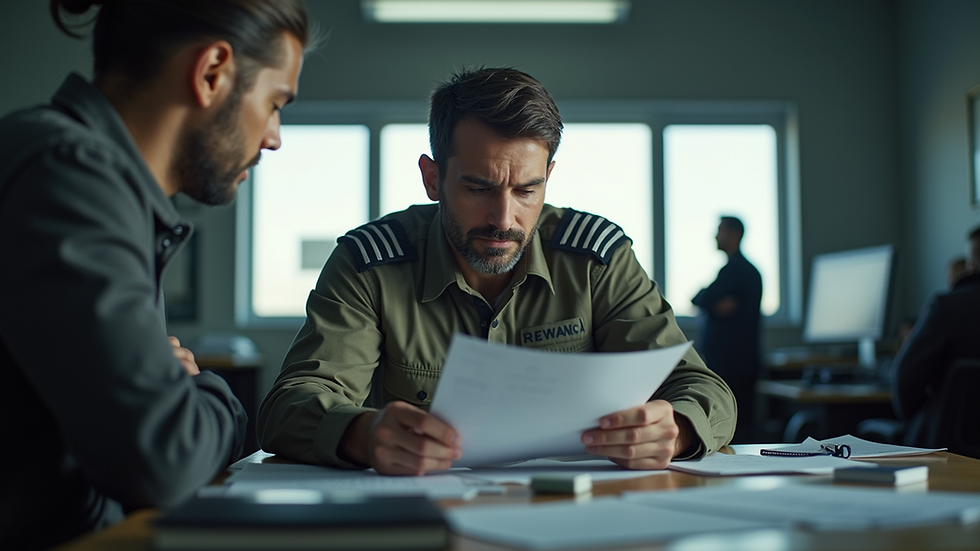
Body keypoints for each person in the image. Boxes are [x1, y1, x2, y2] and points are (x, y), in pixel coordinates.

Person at [257, 67, 736, 476]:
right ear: (432, 178)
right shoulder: (370, 263)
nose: (504, 220)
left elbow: (704, 389)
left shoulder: (597, 259)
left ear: (548, 179)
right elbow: (288, 406)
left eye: (526, 191)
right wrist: (362, 435)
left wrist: (676, 430)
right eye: (478, 188)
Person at [0, 1, 313, 549]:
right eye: (274, 103)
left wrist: (176, 400)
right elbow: (165, 460)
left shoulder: (89, 180)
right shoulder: (72, 175)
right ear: (212, 72)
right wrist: (209, 394)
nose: (274, 137)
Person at [892, 226, 980, 446]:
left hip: (947, 452)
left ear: (972, 265)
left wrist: (922, 419)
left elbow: (905, 378)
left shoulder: (948, 307)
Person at [691, 216, 762, 443]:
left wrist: (710, 302)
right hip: (734, 364)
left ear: (734, 234)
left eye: (720, 230)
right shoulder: (740, 271)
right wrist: (714, 304)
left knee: (734, 431)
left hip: (733, 366)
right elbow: (702, 298)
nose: (715, 236)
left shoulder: (737, 271)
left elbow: (702, 298)